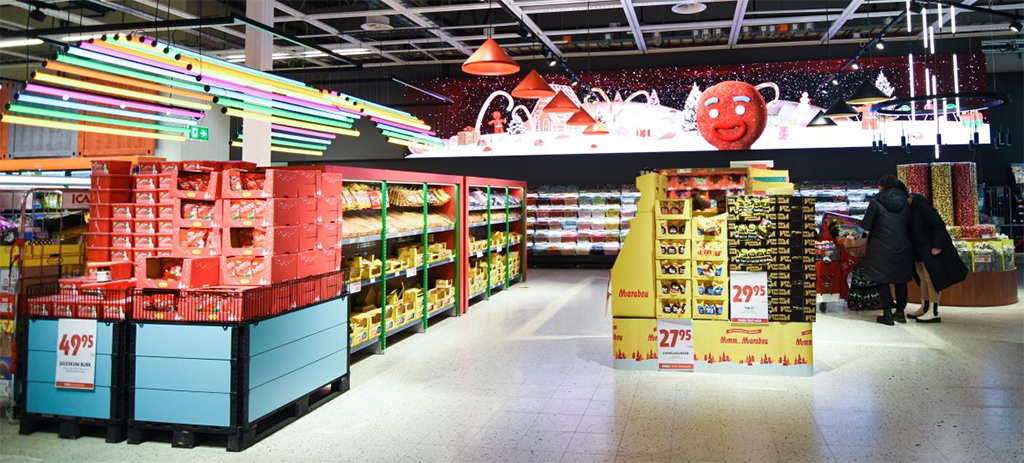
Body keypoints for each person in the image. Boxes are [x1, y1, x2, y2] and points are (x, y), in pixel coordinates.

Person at [905, 189, 969, 323]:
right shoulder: (909, 207)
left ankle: (933, 311)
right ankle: (925, 306)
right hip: (918, 250)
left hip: (930, 248)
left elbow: (938, 224)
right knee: (923, 278)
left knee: (932, 278)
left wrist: (937, 245)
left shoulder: (921, 204)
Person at [860, 175, 914, 325]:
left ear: (882, 186)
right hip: (903, 245)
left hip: (880, 247)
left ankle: (887, 313)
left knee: (881, 279)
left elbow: (866, 225)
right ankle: (900, 313)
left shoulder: (876, 202)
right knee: (901, 280)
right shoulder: (906, 201)